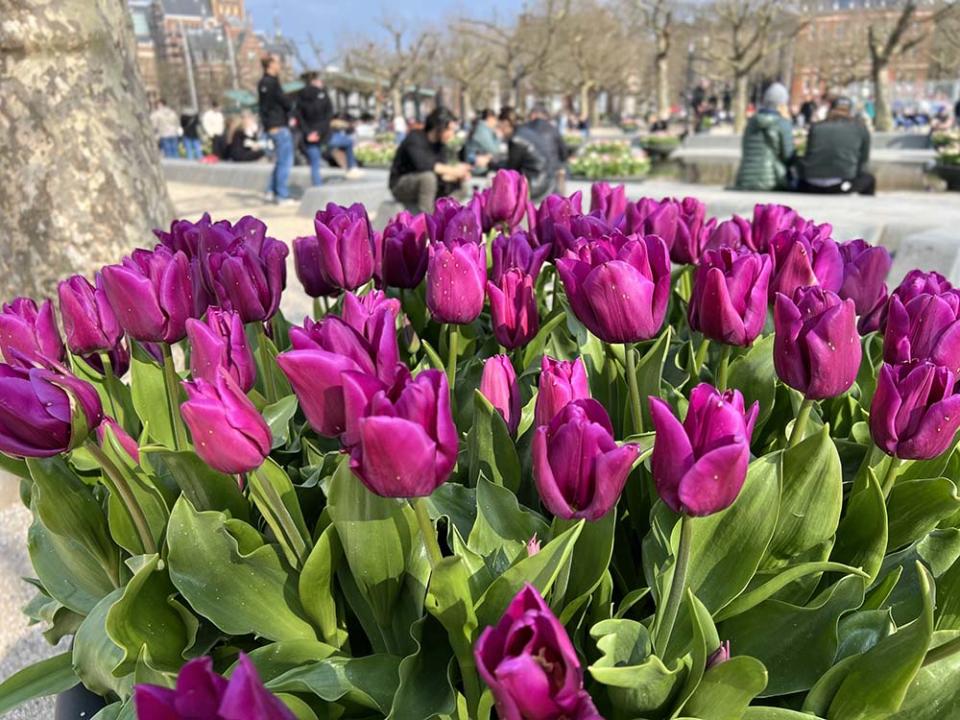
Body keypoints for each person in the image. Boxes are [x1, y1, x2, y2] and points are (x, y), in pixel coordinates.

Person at [389, 106, 471, 213]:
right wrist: (454, 171)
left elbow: (442, 170)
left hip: (429, 185)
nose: (452, 134)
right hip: (401, 185)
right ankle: (428, 220)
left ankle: (444, 213)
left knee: (462, 187)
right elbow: (424, 165)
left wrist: (458, 175)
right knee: (428, 178)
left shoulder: (440, 145)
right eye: (449, 129)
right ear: (439, 127)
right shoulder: (415, 138)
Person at [798, 96, 874, 196]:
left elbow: (808, 154)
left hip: (810, 184)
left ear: (830, 109)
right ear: (850, 111)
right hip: (840, 185)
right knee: (869, 179)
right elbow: (863, 161)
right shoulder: (860, 128)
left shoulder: (816, 127)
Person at [734, 82, 795, 191]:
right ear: (782, 104)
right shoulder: (782, 123)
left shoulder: (752, 122)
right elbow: (788, 156)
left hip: (744, 179)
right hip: (772, 180)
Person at [258, 54, 295, 205]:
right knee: (285, 162)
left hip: (272, 126)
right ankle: (282, 195)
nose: (280, 65)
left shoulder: (264, 83)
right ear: (271, 64)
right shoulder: (271, 83)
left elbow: (263, 107)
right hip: (278, 126)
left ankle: (271, 190)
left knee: (280, 161)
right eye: (278, 62)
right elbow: (284, 103)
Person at [494, 106, 553, 200]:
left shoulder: (515, 140)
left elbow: (511, 170)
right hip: (546, 179)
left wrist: (489, 163)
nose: (497, 129)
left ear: (505, 123)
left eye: (498, 125)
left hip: (535, 185)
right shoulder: (525, 131)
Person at [294, 71, 334, 186]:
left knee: (314, 164)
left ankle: (318, 186)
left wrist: (308, 133)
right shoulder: (323, 95)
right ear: (315, 81)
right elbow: (328, 115)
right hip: (323, 134)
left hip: (309, 136)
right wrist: (319, 132)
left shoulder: (300, 96)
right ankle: (351, 167)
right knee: (345, 142)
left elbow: (299, 118)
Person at [525, 104, 569, 194]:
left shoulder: (525, 129)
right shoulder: (553, 129)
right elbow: (563, 152)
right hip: (551, 173)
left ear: (533, 115)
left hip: (531, 175)